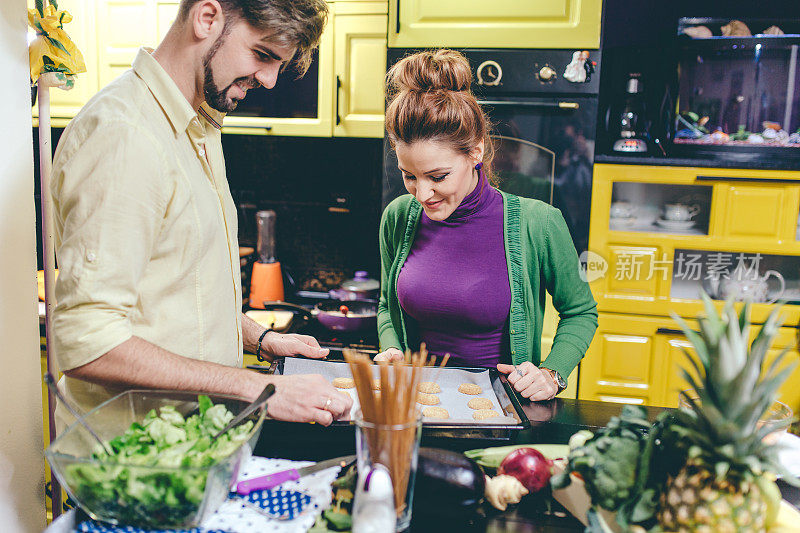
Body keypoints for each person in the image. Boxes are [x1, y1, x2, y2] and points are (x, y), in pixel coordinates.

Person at [50, 0, 351, 428]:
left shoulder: (198, 126)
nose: (268, 80)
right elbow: (88, 343)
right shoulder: (126, 136)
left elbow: (179, 292)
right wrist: (254, 387)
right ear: (207, 18)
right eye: (263, 55)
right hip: (130, 468)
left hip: (191, 446)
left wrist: (259, 339)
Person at [374, 50, 598, 401]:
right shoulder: (399, 218)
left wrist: (553, 374)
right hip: (416, 408)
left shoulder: (540, 224)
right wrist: (392, 350)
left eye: (438, 176)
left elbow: (581, 312)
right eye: (409, 177)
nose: (422, 193)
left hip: (500, 410)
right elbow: (387, 305)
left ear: (475, 152)